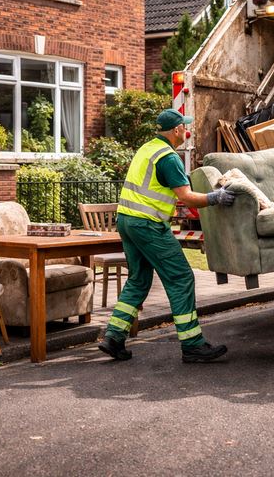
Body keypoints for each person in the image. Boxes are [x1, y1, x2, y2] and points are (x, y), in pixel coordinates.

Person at [98, 108, 236, 363]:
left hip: (127, 221)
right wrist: (215, 198)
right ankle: (192, 344)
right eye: (184, 126)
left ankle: (114, 336)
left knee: (139, 279)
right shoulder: (168, 157)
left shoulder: (147, 148)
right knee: (181, 277)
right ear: (175, 131)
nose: (187, 130)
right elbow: (184, 195)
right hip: (148, 225)